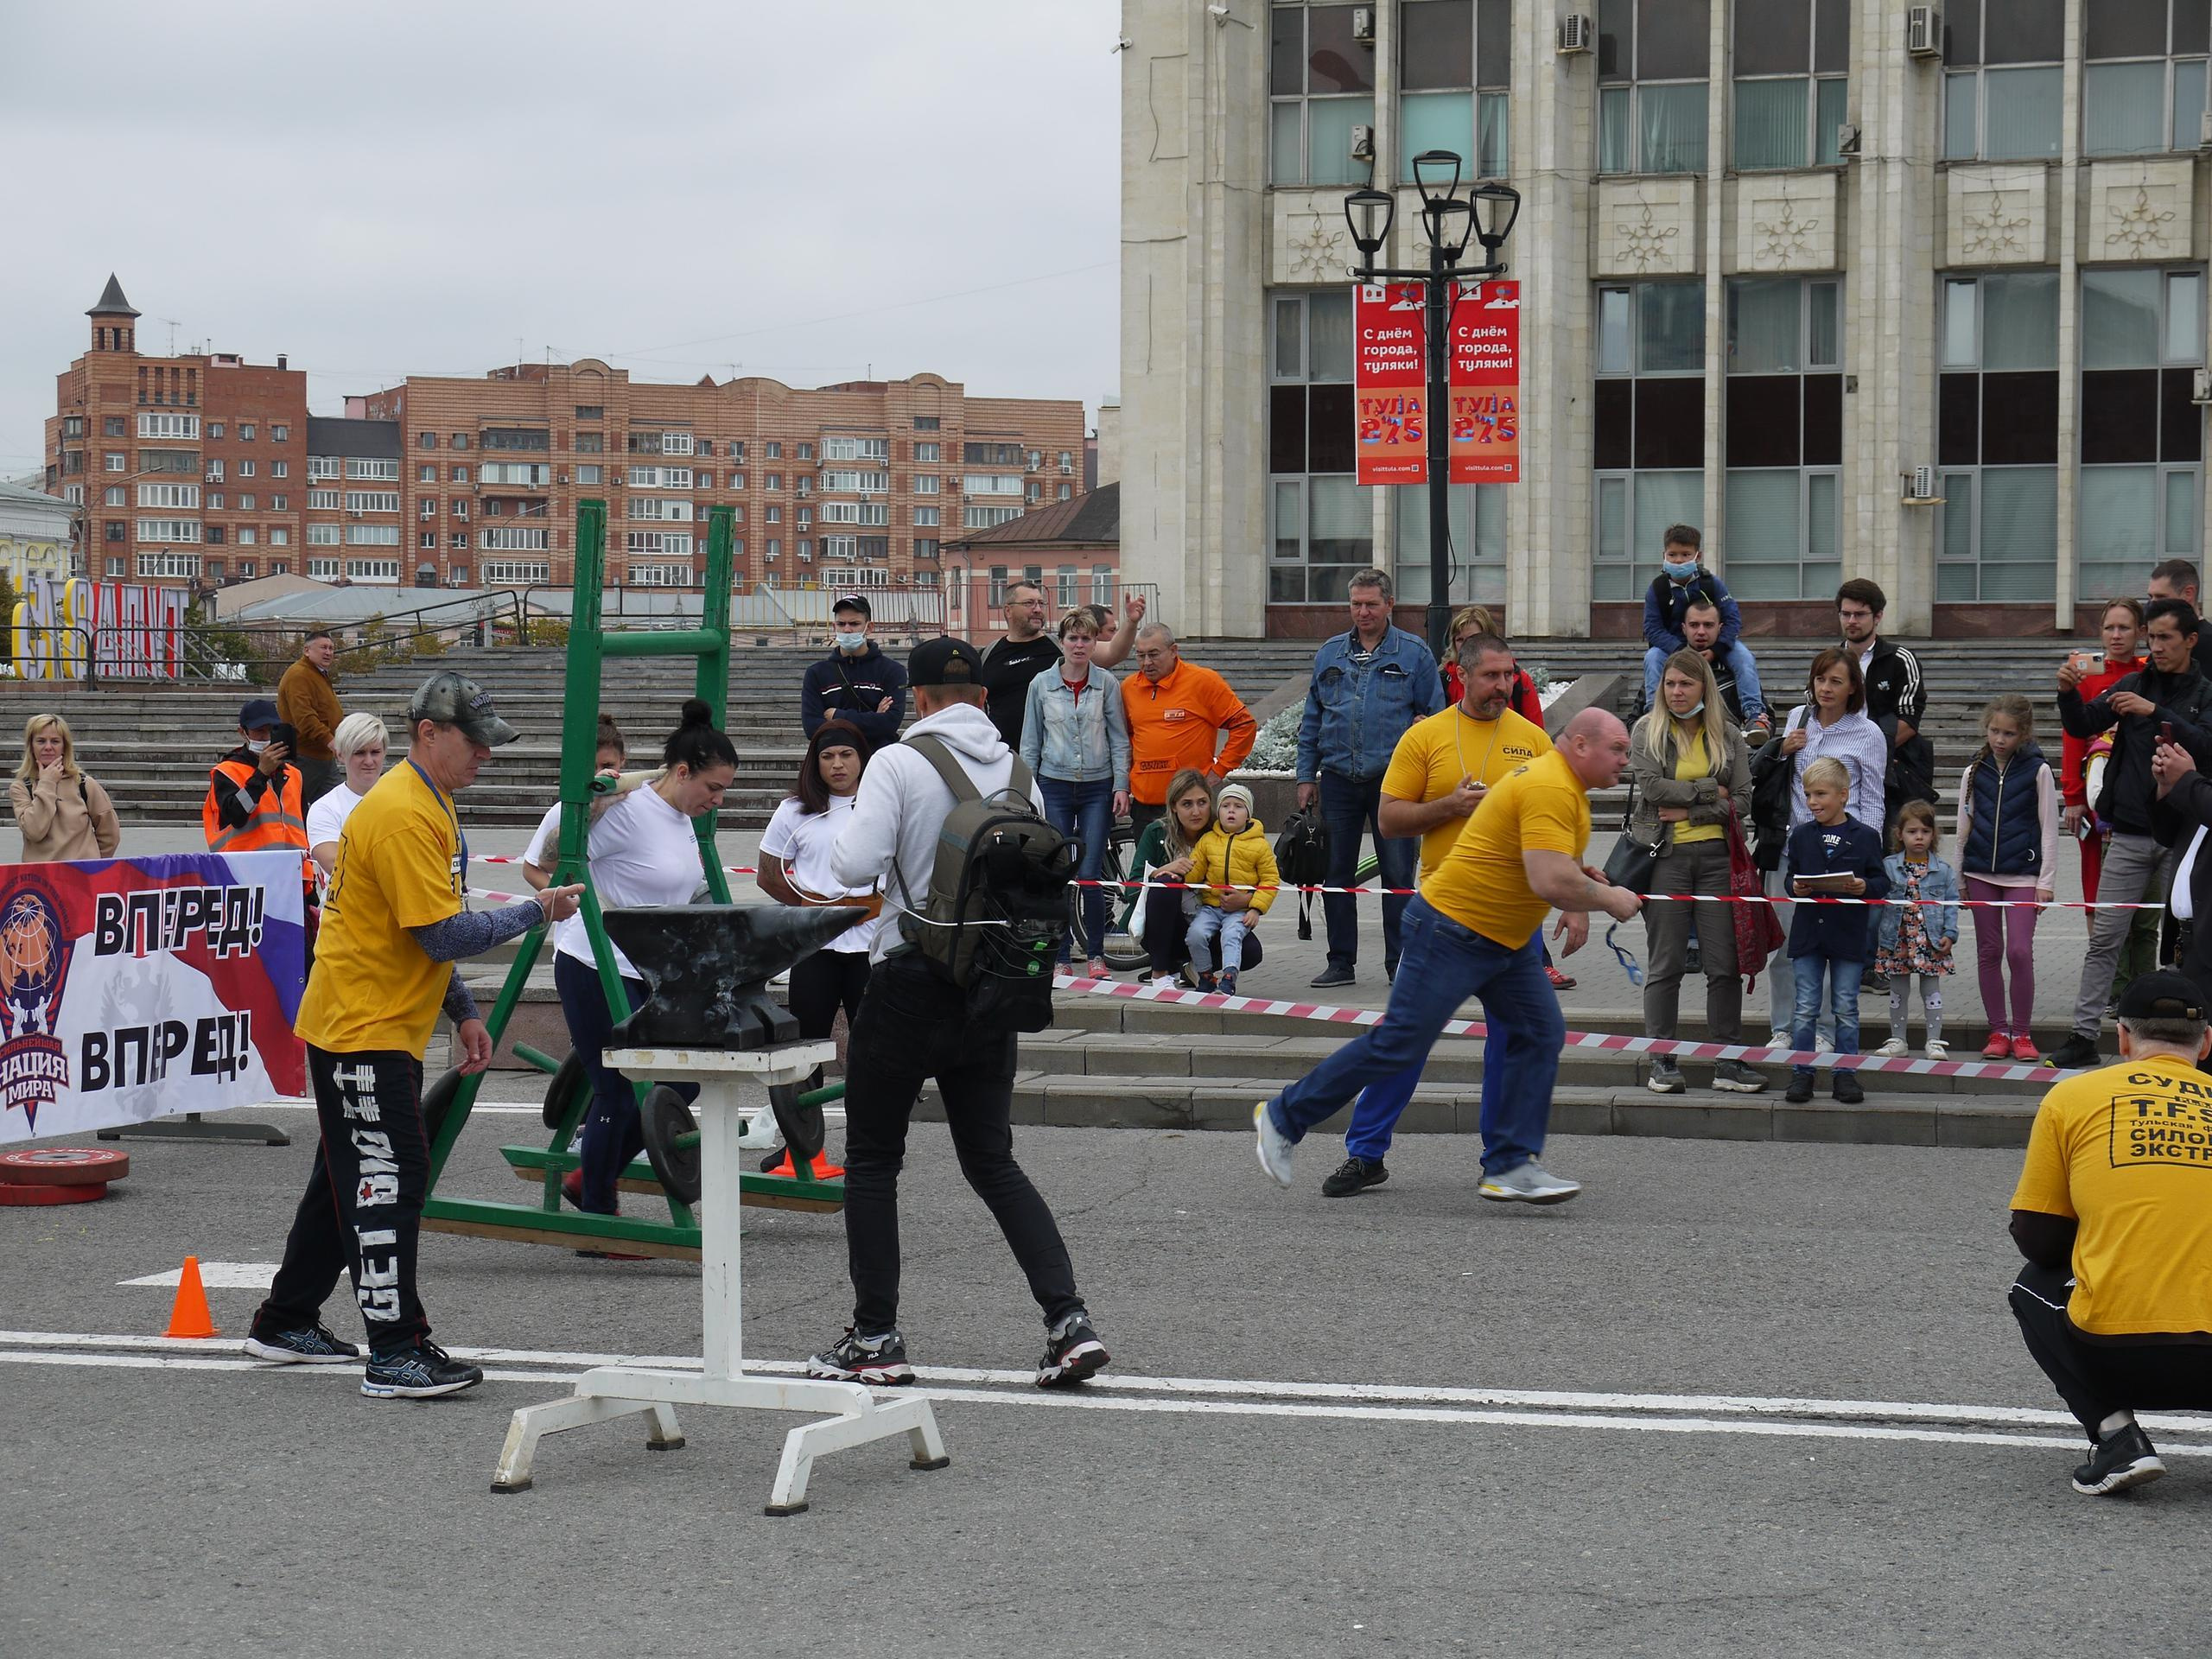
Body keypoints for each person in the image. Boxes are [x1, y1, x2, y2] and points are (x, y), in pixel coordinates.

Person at [246, 671, 584, 1397]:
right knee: (387, 1179)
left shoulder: (427, 802)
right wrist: (536, 911)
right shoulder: (405, 811)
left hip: (372, 1018)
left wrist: (462, 1011)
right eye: (476, 743)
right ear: (428, 735)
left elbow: (419, 923)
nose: (486, 757)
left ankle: (284, 1319)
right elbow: (439, 933)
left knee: (345, 1178)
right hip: (362, 1025)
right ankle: (396, 1350)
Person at [818, 635, 1109, 1390]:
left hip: (911, 979)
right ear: (982, 697)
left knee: (874, 1163)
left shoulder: (898, 762)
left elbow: (854, 865)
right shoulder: (1020, 773)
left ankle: (876, 1337)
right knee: (993, 1161)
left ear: (916, 698)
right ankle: (1067, 1322)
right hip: (994, 987)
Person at [1253, 709, 1643, 1205]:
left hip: (1504, 938)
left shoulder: (1558, 782)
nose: (1625, 762)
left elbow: (1535, 858)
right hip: (1454, 930)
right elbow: (1549, 880)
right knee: (1399, 1044)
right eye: (1618, 750)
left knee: (1539, 1032)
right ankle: (1283, 1119)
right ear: (1582, 745)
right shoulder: (1552, 785)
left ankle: (1510, 1164)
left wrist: (1580, 877)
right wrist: (1609, 898)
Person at [1315, 633, 1555, 1198]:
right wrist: (1449, 805)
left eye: (1510, 676)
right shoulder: (1425, 737)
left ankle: (1504, 1159)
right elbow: (1392, 820)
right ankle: (1366, 1153)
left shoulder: (1536, 742)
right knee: (1406, 1039)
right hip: (1445, 916)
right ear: (1461, 676)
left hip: (1514, 916)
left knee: (1512, 1041)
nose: (1504, 686)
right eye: (1493, 676)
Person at [2007, 971, 2212, 1497]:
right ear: (2207, 1042)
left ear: (2121, 1038)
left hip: (2118, 1354)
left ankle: (2117, 1438)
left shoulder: (2073, 1098)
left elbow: (2040, 1239)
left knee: (2032, 1284)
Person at [554, 701, 736, 1220]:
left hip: (650, 973)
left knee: (683, 1079)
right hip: (593, 964)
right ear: (681, 772)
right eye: (712, 788)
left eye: (724, 790)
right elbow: (543, 861)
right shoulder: (628, 811)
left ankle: (590, 1175)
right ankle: (597, 1214)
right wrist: (596, 801)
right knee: (618, 1089)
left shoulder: (683, 817)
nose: (718, 799)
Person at [2049, 597, 2212, 1070]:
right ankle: (2082, 1034)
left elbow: (2205, 746)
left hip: (2186, 839)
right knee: (2105, 937)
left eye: (2165, 638)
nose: (2155, 647)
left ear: (2191, 640)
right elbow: (2083, 723)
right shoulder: (2132, 682)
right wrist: (2066, 692)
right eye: (2151, 637)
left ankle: (2182, 1039)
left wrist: (2154, 709)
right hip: (2132, 834)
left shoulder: (2204, 692)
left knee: (2185, 943)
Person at [1296, 567, 1444, 990]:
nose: (1363, 612)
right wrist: (1306, 776)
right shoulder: (1329, 653)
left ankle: (1400, 963)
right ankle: (1341, 962)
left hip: (1394, 783)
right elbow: (1312, 720)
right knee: (1336, 876)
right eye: (1356, 604)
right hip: (1339, 780)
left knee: (1398, 878)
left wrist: (1424, 726)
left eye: (1371, 604)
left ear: (1390, 605)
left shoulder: (1414, 653)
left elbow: (1437, 716)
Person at [1630, 648, 1763, 1096]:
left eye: (1685, 684)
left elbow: (1743, 800)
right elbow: (1652, 788)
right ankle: (1662, 1059)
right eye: (1670, 684)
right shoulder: (1647, 731)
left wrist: (1691, 807)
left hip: (1717, 860)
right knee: (1665, 963)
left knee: (1723, 965)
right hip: (1665, 859)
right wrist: (1712, 791)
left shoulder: (1727, 735)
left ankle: (1728, 1061)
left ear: (1704, 686)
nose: (1676, 692)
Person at [759, 718, 886, 1162]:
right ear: (815, 763)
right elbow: (768, 873)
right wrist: (811, 910)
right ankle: (799, 1142)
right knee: (805, 1046)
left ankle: (870, 1144)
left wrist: (867, 907)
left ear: (862, 760)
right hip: (815, 949)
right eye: (828, 756)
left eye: (846, 755)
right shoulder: (795, 810)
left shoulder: (881, 806)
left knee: (869, 1047)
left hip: (870, 946)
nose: (837, 765)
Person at [1760, 648, 1889, 1044]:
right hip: (1793, 849)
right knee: (1786, 947)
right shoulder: (1799, 719)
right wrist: (1781, 748)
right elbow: (1778, 776)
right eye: (1820, 679)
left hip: (1843, 855)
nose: (1826, 688)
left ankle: (1825, 1031)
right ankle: (1785, 1027)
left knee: (1833, 947)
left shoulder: (1868, 733)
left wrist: (1866, 853)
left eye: (1836, 681)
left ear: (1853, 688)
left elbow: (1872, 798)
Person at [1020, 607, 1131, 978]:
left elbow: (1119, 739)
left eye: (1087, 638)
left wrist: (1121, 785)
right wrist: (1030, 792)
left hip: (1097, 786)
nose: (1080, 645)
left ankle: (1096, 955)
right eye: (1073, 638)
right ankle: (1062, 955)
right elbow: (1031, 743)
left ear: (1095, 641)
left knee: (1089, 872)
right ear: (1062, 641)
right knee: (1060, 871)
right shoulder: (1041, 684)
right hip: (1054, 783)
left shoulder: (1106, 684)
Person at [1781, 757, 1891, 1106]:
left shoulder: (1866, 836)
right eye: (1808, 794)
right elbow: (1791, 876)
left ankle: (1845, 1075)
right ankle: (1803, 1073)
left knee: (1845, 1007)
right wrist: (1794, 887)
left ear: (1843, 795)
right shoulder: (1800, 835)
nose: (1813, 802)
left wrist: (1863, 887)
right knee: (1805, 1007)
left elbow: (1880, 881)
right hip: (1809, 935)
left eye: (1821, 794)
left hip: (1847, 935)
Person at [1955, 695, 2057, 1062]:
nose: (2000, 739)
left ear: (2024, 734)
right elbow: (1963, 827)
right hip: (1979, 872)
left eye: (2009, 733)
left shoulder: (2038, 770)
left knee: (2018, 950)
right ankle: (1998, 1030)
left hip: (2023, 874)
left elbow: (2049, 827)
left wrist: (2045, 881)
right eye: (1994, 731)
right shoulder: (1974, 770)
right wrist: (1960, 879)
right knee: (1988, 951)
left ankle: (2023, 1032)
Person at [2061, 601, 2152, 986]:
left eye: (2125, 628)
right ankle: (2110, 979)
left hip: (2138, 796)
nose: (2116, 636)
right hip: (2094, 800)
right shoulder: (2083, 676)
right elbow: (2072, 736)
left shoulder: (2150, 674)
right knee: (2097, 883)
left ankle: (2139, 977)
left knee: (2144, 897)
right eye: (2109, 628)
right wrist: (2073, 796)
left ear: (2140, 633)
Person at [1128, 769, 1264, 987]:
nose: (1196, 811)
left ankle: (1195, 969)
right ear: (1173, 806)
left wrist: (1247, 901)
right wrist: (1160, 871)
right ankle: (1160, 972)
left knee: (1251, 952)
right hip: (1165, 929)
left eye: (1202, 802)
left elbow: (1262, 879)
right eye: (1187, 804)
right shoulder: (1156, 832)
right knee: (1167, 884)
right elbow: (1132, 888)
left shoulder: (1223, 832)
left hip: (1211, 922)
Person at [1123, 622, 1256, 836]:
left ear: (1174, 651)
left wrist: (1219, 769)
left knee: (1192, 868)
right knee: (1150, 869)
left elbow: (1245, 725)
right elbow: (1127, 736)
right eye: (1140, 655)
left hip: (1190, 807)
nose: (1146, 662)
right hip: (1145, 804)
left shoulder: (1202, 681)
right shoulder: (1129, 688)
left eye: (1154, 654)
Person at [1641, 525, 1769, 740]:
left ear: (1697, 556)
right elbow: (1652, 628)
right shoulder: (1657, 589)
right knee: (1652, 658)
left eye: (1685, 555)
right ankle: (1654, 717)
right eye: (1672, 555)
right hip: (1673, 648)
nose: (1679, 561)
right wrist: (1680, 650)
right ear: (1664, 555)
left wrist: (1717, 649)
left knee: (1744, 657)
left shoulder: (1711, 583)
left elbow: (1732, 619)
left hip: (1716, 645)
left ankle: (1754, 715)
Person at [205, 696, 315, 918]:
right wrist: (261, 775)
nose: (266, 738)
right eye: (259, 732)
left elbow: (303, 826)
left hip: (292, 879)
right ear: (242, 732)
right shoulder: (226, 772)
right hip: (246, 880)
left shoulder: (294, 775)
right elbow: (236, 815)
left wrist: (310, 885)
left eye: (271, 730)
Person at [1872, 800, 1958, 1060]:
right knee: (1898, 991)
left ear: (1933, 834)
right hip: (1897, 941)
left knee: (1931, 991)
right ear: (1900, 834)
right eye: (1912, 831)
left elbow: (1951, 904)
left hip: (1930, 940)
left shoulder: (1943, 871)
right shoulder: (1888, 866)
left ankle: (1934, 1040)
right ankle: (1898, 1039)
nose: (1919, 837)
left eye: (1925, 831)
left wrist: (1951, 933)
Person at [1184, 782, 1277, 995]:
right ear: (1218, 812)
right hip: (1211, 907)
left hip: (1240, 911)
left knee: (1232, 935)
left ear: (1248, 815)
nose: (1231, 811)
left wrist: (1255, 908)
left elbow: (1270, 880)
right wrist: (1185, 869)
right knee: (1195, 935)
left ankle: (1228, 978)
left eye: (1238, 806)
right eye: (1226, 806)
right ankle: (1205, 976)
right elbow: (1194, 874)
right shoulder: (1208, 840)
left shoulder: (1259, 845)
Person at [520, 715, 626, 892]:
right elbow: (530, 869)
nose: (600, 774)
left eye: (608, 765)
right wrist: (573, 904)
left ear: (623, 759)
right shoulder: (564, 809)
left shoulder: (638, 800)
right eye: (590, 767)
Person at [9, 714, 119, 863]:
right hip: (41, 880)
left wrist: (92, 863)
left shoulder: (85, 784)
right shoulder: (20, 788)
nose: (48, 747)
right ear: (31, 746)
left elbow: (110, 835)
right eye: (41, 741)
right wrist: (47, 783)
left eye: (55, 741)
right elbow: (34, 831)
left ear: (64, 746)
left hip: (82, 877)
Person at [801, 594, 906, 750]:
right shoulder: (816, 674)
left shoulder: (892, 671)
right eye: (841, 624)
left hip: (878, 761)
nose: (847, 630)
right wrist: (873, 719)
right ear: (834, 627)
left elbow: (889, 723)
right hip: (836, 764)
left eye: (854, 623)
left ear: (869, 628)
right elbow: (812, 728)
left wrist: (837, 716)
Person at [305, 714, 390, 881]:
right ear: (340, 755)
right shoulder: (325, 808)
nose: (369, 761)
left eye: (375, 752)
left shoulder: (404, 800)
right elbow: (337, 865)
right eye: (359, 753)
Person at [979, 580, 1061, 750]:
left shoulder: (1059, 647)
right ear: (1008, 610)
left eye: (1040, 603)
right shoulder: (988, 654)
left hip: (1051, 762)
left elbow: (1111, 653)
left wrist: (1130, 623)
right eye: (1029, 603)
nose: (1038, 609)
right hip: (1002, 756)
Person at [1680, 595, 1764, 738]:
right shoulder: (1668, 669)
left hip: (1725, 751)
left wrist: (1761, 725)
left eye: (1708, 625)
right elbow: (1636, 718)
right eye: (1694, 625)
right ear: (1684, 628)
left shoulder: (1739, 670)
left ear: (1720, 628)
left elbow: (1767, 722)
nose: (1701, 632)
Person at [277, 628, 344, 804]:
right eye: (323, 647)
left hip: (324, 756)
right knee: (297, 808)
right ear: (307, 650)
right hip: (306, 758)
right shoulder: (299, 675)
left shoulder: (317, 674)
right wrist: (330, 741)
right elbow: (304, 718)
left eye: (331, 648)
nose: (328, 652)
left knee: (337, 808)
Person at [1438, 606, 1540, 719]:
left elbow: (1536, 732)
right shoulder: (1443, 680)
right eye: (1460, 640)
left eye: (1473, 638)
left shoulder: (1519, 681)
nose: (1466, 645)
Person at [2147, 557, 2212, 679]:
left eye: (2161, 597)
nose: (2153, 604)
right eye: (2151, 597)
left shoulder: (2208, 644)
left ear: (2188, 593)